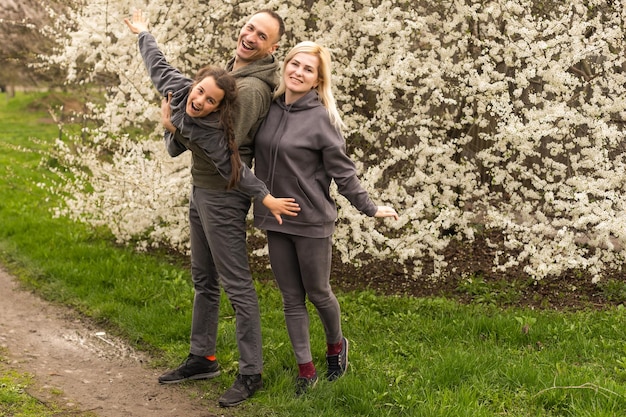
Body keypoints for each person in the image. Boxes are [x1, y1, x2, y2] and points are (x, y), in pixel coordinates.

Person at [124, 9, 294, 407]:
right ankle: (203, 357)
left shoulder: (250, 90)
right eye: (250, 27)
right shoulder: (225, 77)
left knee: (237, 286)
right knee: (203, 279)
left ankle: (251, 372)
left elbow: (224, 151)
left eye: (261, 34)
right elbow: (163, 74)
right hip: (203, 189)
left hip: (225, 193)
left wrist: (174, 129)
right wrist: (144, 34)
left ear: (273, 47)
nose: (250, 35)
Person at [252, 41, 399, 395]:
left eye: (308, 69)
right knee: (290, 297)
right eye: (295, 65)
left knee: (317, 292)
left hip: (312, 220)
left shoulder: (323, 119)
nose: (298, 72)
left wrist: (370, 207)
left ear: (318, 80)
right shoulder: (268, 109)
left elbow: (343, 172)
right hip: (275, 218)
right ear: (285, 66)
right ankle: (306, 370)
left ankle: (336, 347)